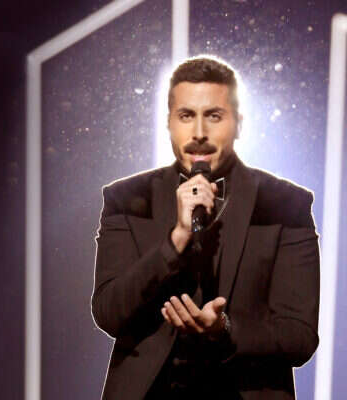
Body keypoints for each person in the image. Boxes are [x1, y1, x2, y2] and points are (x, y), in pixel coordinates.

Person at [91, 56, 320, 399]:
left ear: (238, 124)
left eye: (214, 116)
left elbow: (300, 337)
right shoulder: (127, 199)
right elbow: (109, 314)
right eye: (186, 116)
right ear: (169, 122)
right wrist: (175, 241)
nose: (199, 133)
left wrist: (224, 329)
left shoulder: (284, 204)